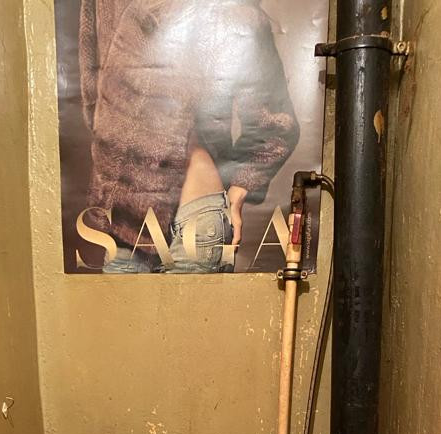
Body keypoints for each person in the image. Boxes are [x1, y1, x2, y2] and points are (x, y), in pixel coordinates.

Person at [79, 0, 299, 273]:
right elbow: (92, 89)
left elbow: (92, 91)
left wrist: (240, 189)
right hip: (127, 215)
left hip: (191, 208)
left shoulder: (235, 12)